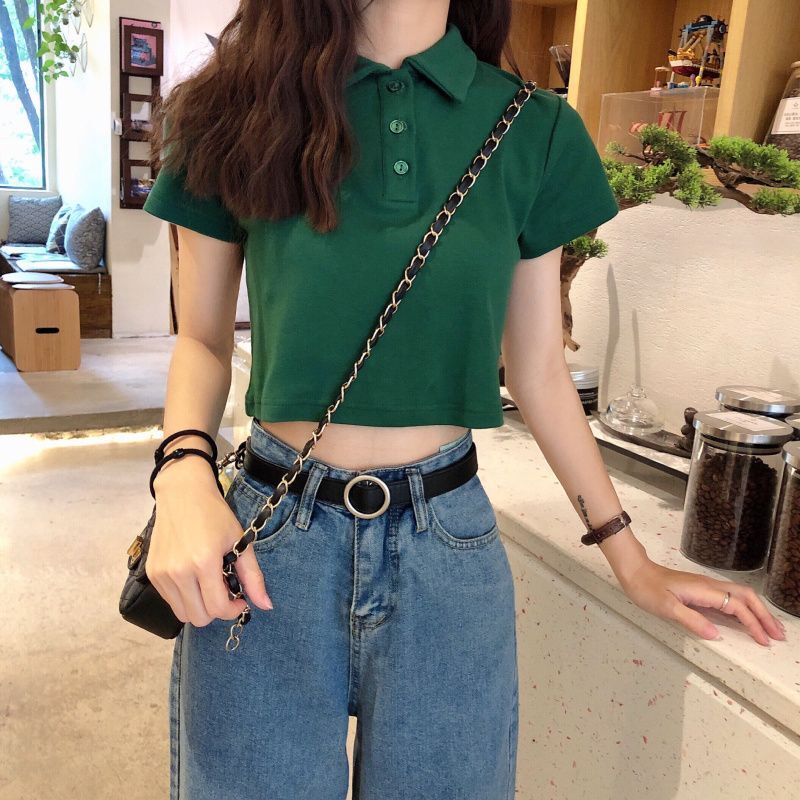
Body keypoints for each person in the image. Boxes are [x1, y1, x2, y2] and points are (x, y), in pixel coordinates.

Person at [141, 1, 787, 798]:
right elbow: (201, 340)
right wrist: (182, 478)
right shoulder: (234, 107)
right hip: (268, 541)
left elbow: (537, 369)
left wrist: (630, 557)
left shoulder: (535, 129)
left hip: (445, 550)